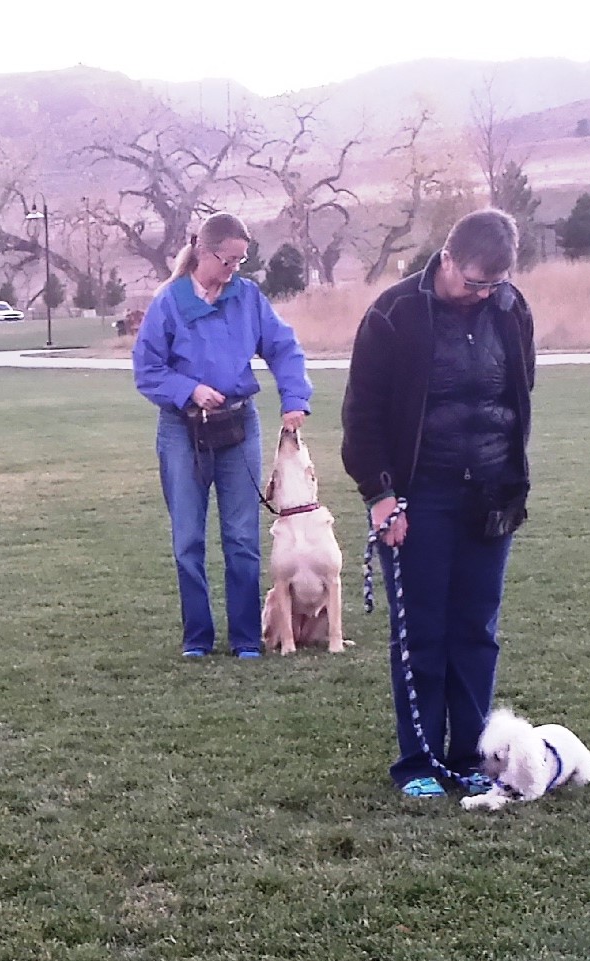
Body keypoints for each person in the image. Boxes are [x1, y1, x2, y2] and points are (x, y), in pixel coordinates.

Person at [340, 208, 534, 800]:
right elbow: (362, 416)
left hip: (491, 495)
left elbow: (518, 393)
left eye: (492, 285)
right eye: (472, 282)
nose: (480, 295)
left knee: (476, 629)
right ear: (447, 258)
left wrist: (510, 477)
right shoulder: (395, 314)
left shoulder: (511, 308)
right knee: (421, 632)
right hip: (420, 497)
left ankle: (470, 756)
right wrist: (381, 495)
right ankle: (418, 763)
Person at [133, 213, 313, 660]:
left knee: (242, 537)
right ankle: (198, 639)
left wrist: (295, 398)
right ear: (202, 251)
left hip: (238, 427)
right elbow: (147, 369)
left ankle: (247, 639)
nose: (235, 269)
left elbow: (283, 347)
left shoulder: (247, 297)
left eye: (241, 260)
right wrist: (189, 390)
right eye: (228, 260)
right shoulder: (169, 303)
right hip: (183, 431)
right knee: (188, 539)